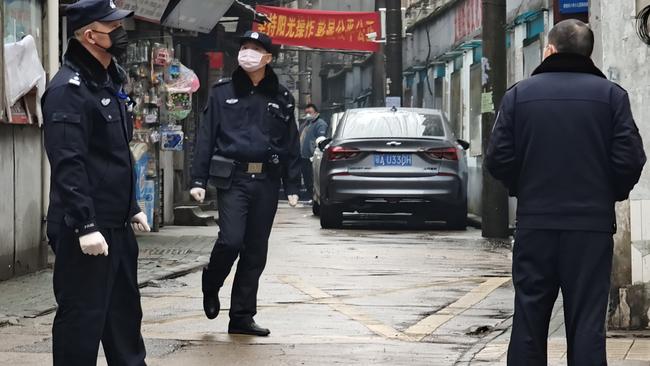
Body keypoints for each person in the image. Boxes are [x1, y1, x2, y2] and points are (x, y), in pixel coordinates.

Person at [486, 19, 646, 365]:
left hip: (535, 225)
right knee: (587, 323)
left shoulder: (519, 95)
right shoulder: (611, 97)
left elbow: (498, 158)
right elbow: (631, 159)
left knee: (529, 319)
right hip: (590, 228)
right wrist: (609, 194)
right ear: (589, 53)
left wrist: (522, 189)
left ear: (549, 50)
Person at [42, 0, 151, 364]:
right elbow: (68, 163)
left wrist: (131, 205)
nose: (120, 34)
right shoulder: (67, 90)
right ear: (90, 35)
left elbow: (116, 155)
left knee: (124, 321)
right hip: (83, 229)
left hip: (116, 225)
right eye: (112, 28)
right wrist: (85, 224)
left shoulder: (108, 82)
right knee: (82, 324)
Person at [190, 30, 301, 337]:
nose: (247, 53)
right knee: (231, 240)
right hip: (233, 178)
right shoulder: (222, 92)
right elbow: (206, 136)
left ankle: (241, 315)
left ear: (268, 57)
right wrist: (198, 178)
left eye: (255, 49)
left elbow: (291, 143)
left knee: (255, 250)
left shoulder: (282, 97)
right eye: (244, 47)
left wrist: (292, 185)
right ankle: (211, 282)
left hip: (267, 180)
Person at [299, 103, 328, 202]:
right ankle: (310, 196)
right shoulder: (305, 124)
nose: (308, 115)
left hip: (313, 157)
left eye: (310, 112)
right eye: (306, 112)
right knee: (307, 178)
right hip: (304, 157)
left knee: (313, 178)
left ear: (316, 113)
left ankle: (314, 198)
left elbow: (321, 139)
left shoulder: (320, 124)